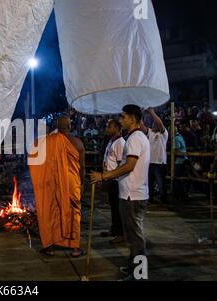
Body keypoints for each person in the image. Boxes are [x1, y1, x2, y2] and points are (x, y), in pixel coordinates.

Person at [91, 104, 150, 281]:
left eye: (123, 117)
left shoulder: (134, 139)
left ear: (133, 118)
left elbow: (129, 166)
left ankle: (139, 274)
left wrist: (104, 175)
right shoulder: (134, 137)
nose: (121, 119)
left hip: (133, 194)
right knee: (132, 236)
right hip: (131, 193)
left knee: (135, 238)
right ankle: (134, 267)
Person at [29, 115, 86, 257]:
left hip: (51, 183)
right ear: (70, 126)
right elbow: (82, 168)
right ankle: (74, 248)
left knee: (51, 211)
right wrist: (82, 183)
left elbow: (33, 156)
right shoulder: (77, 142)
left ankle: (50, 247)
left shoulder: (45, 142)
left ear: (56, 126)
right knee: (73, 212)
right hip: (72, 183)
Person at [100, 119, 125, 244]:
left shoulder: (120, 143)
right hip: (110, 179)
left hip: (116, 180)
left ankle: (121, 233)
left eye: (109, 126)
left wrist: (114, 176)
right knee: (113, 207)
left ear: (116, 128)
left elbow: (121, 163)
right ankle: (114, 229)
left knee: (118, 208)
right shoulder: (111, 141)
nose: (107, 128)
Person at [141, 108, 168, 203]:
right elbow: (141, 126)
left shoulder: (164, 134)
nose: (154, 124)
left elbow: (160, 123)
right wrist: (140, 114)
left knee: (161, 184)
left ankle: (164, 200)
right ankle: (150, 198)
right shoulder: (151, 133)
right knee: (149, 183)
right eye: (153, 123)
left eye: (155, 123)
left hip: (160, 163)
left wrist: (151, 111)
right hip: (150, 162)